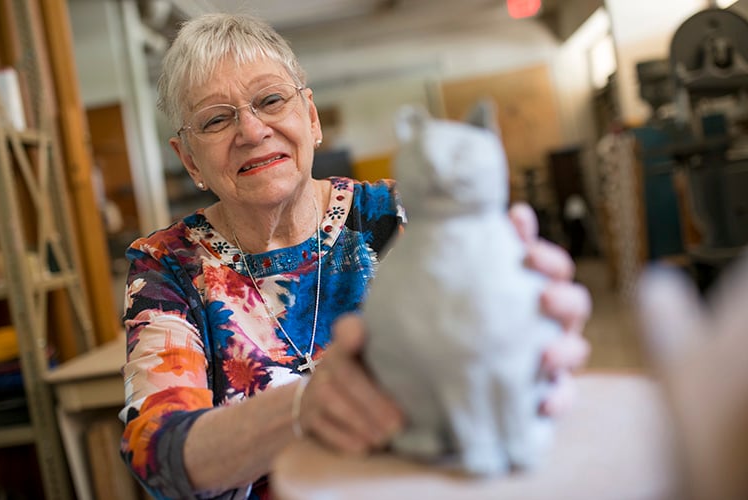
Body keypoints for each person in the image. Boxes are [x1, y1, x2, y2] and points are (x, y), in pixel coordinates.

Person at [119, 13, 591, 499]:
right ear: (189, 159)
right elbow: (160, 456)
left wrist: (534, 334)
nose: (252, 130)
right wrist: (304, 409)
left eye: (271, 100)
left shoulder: (405, 214)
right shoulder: (167, 265)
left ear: (312, 118)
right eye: (217, 119)